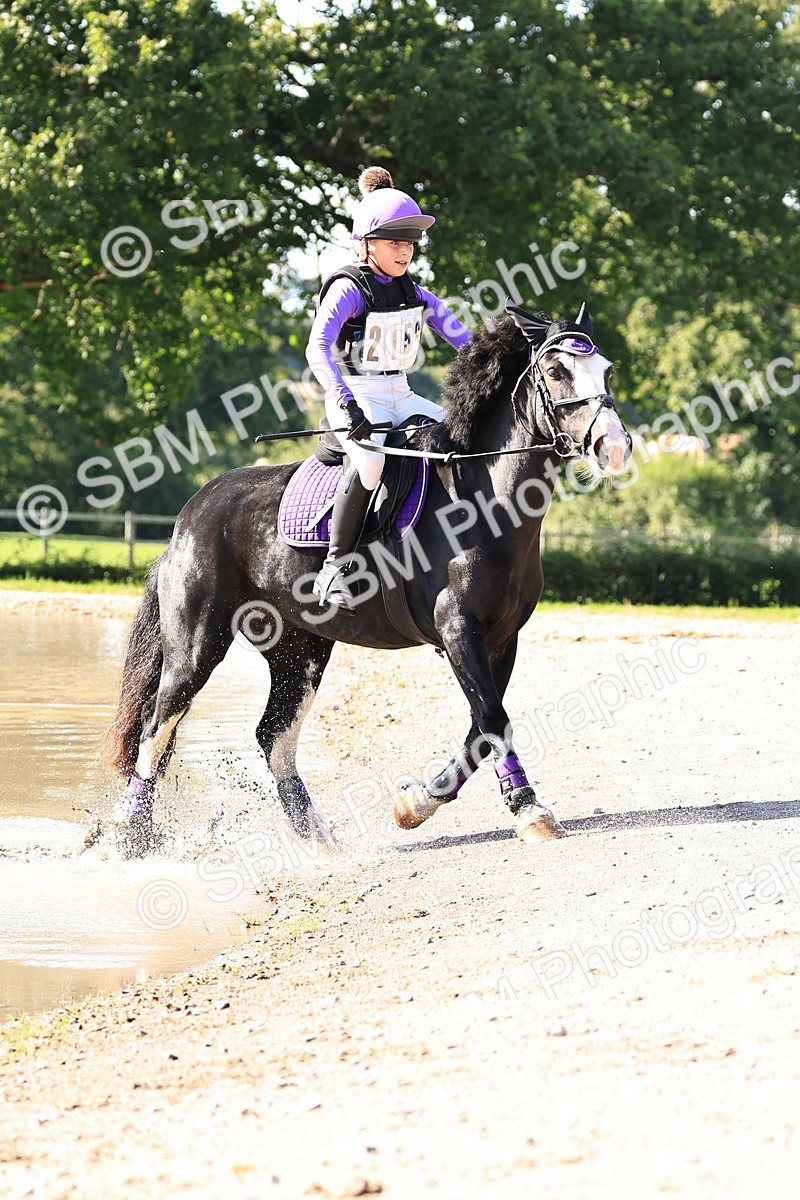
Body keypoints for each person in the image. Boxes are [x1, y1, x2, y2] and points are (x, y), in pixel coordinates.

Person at [306, 166, 473, 610]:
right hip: (354, 395)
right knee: (372, 461)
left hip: (401, 393)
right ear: (367, 244)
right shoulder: (348, 289)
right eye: (395, 242)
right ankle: (334, 566)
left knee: (464, 440)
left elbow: (467, 343)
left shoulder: (414, 292)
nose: (405, 251)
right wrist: (344, 401)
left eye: (410, 243)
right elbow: (317, 347)